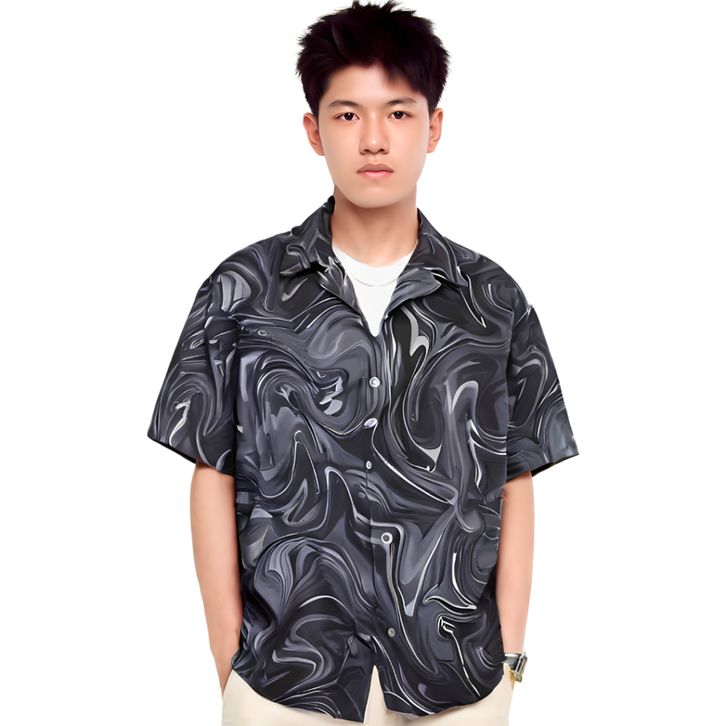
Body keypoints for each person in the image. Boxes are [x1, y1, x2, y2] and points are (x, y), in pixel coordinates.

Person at [147, 2, 579, 724]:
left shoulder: (492, 301)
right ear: (314, 130)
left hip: (458, 685)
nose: (373, 139)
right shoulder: (242, 292)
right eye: (347, 115)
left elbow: (517, 477)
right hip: (287, 683)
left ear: (433, 127)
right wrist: (228, 664)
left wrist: (511, 661)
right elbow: (210, 473)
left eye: (399, 113)